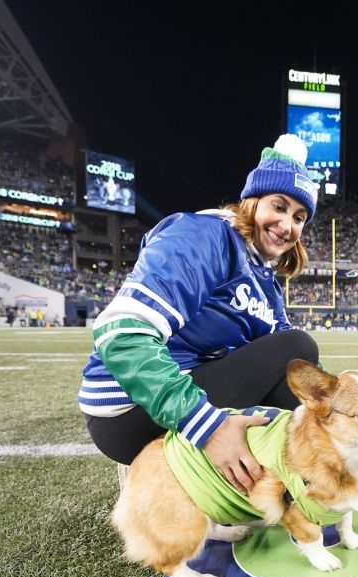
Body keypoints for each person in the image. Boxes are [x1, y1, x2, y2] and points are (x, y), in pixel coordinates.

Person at [78, 135, 321, 493]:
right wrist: (206, 426)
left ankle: (278, 475)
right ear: (251, 201)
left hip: (181, 389)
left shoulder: (264, 279)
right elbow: (121, 334)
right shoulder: (205, 235)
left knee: (297, 361)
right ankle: (175, 471)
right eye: (279, 206)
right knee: (297, 348)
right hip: (129, 409)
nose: (288, 225)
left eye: (299, 218)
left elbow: (285, 368)